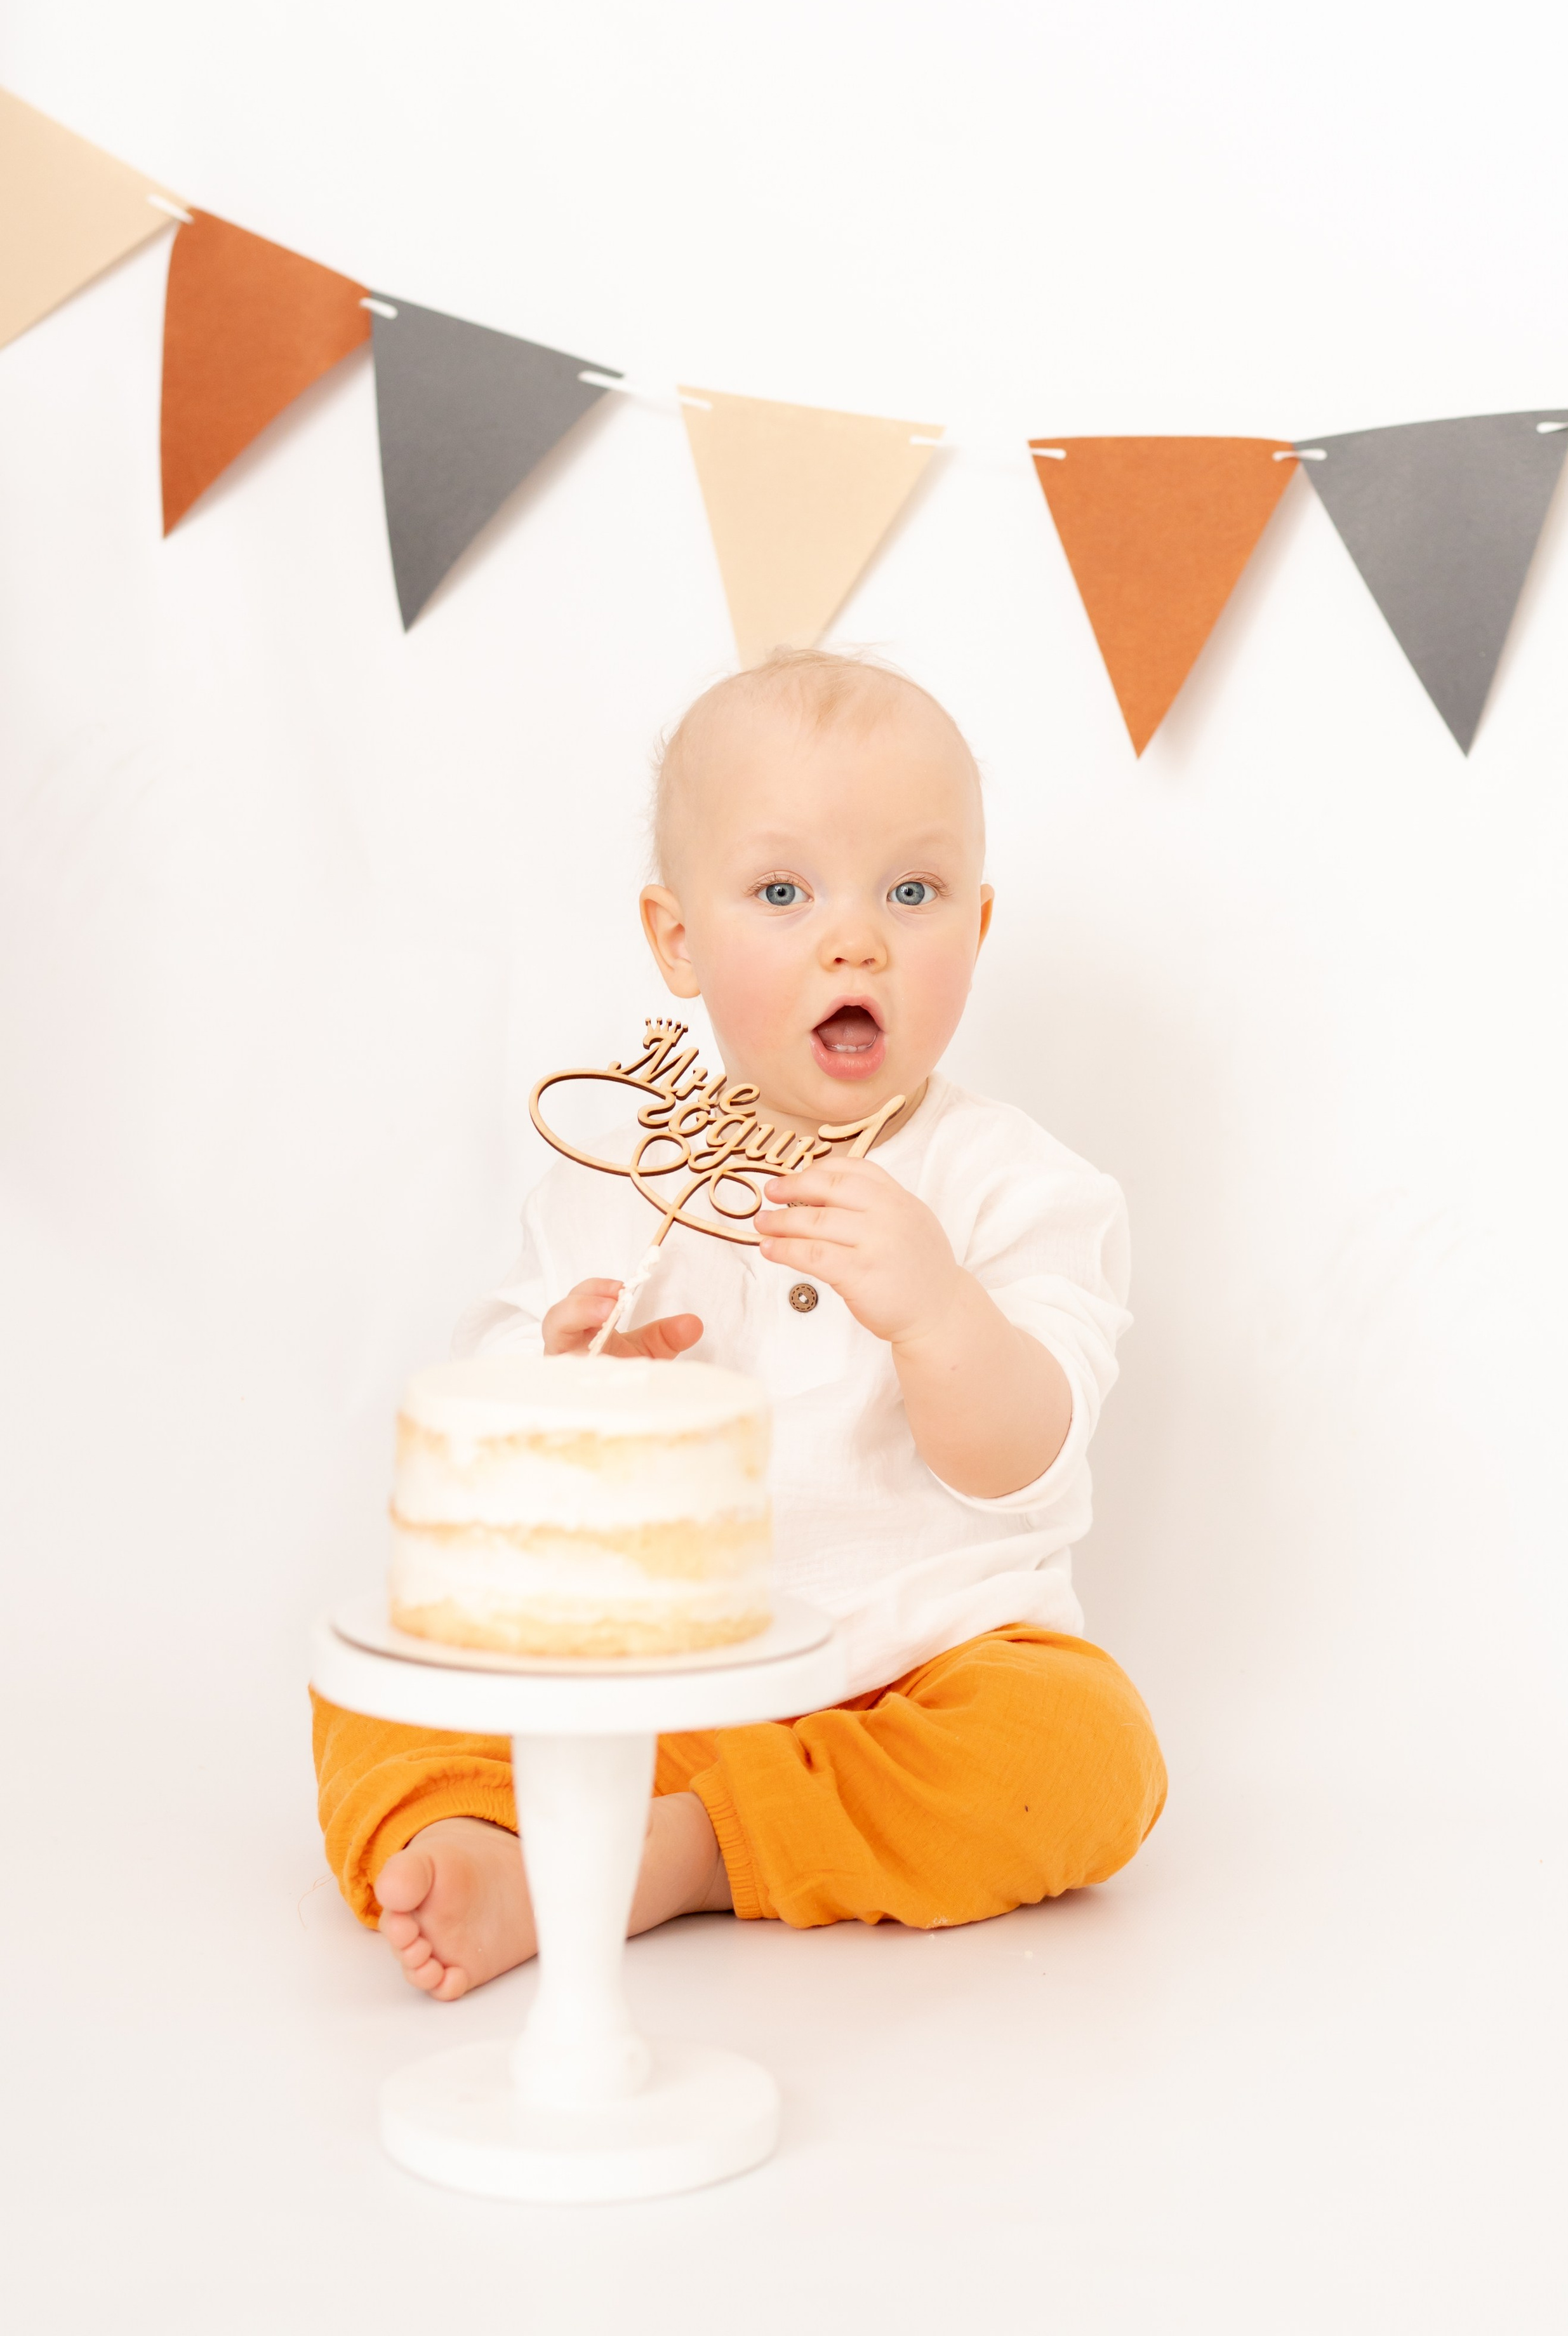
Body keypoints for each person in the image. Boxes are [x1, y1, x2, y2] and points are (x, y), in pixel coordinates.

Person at [312, 649, 1166, 1999]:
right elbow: (486, 1440)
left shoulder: (1019, 1185)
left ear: (979, 925)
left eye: (912, 890)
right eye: (781, 892)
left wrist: (938, 1311)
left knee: (1083, 1749)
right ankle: (478, 1840)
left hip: (914, 1666)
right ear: (675, 940)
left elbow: (1019, 1457)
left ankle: (678, 1856)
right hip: (652, 1667)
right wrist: (564, 1381)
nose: (855, 939)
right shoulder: (610, 1189)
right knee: (374, 1675)